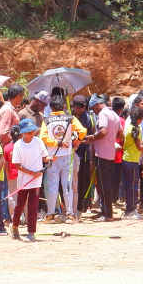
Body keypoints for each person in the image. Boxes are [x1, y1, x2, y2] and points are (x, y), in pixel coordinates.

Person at [40, 95, 86, 223]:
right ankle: (70, 213)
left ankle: (50, 214)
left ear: (51, 107)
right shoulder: (70, 118)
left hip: (52, 156)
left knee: (52, 186)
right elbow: (82, 131)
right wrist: (77, 141)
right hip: (67, 155)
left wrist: (55, 143)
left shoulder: (46, 120)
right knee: (67, 185)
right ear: (63, 106)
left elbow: (43, 137)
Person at [9, 119, 48, 242]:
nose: (31, 134)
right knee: (20, 205)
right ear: (22, 133)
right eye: (28, 132)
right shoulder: (18, 145)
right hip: (24, 181)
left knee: (33, 206)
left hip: (36, 181)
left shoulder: (38, 142)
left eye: (32, 131)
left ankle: (31, 231)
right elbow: (17, 165)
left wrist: (49, 158)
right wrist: (32, 173)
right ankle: (15, 226)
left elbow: (45, 157)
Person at [89, 95, 123, 220]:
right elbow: (120, 134)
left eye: (94, 109)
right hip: (110, 154)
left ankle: (107, 214)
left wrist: (93, 137)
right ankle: (105, 211)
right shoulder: (114, 114)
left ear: (97, 105)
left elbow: (103, 132)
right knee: (107, 184)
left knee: (103, 186)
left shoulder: (103, 114)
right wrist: (111, 141)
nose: (94, 112)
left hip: (101, 154)